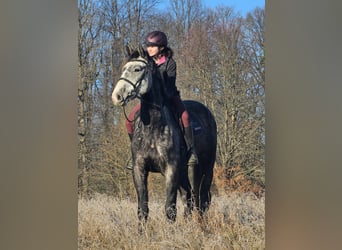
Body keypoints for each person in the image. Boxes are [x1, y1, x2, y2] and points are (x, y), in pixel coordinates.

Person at [125, 30, 198, 169]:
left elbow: (169, 85)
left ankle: (191, 150)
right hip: (149, 101)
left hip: (169, 97)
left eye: (152, 46)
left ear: (161, 48)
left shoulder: (170, 63)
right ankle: (134, 152)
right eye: (148, 46)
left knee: (186, 117)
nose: (149, 49)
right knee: (129, 121)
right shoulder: (146, 62)